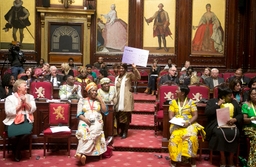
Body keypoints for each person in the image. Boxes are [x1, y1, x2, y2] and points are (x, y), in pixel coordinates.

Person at [205, 83, 243, 167]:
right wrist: (218, 105)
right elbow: (207, 113)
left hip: (231, 124)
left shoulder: (234, 102)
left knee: (235, 134)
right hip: (217, 124)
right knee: (219, 134)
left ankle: (230, 158)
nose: (232, 97)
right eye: (229, 96)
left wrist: (235, 119)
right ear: (223, 96)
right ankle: (222, 158)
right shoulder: (213, 101)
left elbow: (240, 115)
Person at [168, 85, 205, 167]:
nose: (175, 91)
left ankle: (191, 158)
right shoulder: (173, 102)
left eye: (177, 90)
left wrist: (188, 123)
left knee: (191, 137)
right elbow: (171, 116)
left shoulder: (191, 102)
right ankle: (174, 159)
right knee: (174, 138)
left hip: (189, 123)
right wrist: (177, 123)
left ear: (183, 93)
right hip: (176, 123)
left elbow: (195, 115)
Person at [3, 79, 36, 162]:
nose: (27, 87)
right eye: (25, 85)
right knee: (13, 137)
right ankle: (16, 151)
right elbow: (8, 112)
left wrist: (26, 102)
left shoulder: (30, 97)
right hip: (13, 119)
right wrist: (20, 105)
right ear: (18, 87)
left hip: (26, 119)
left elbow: (33, 109)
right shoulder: (9, 98)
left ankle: (16, 152)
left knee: (25, 134)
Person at [75, 82, 107, 165]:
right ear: (88, 92)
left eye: (96, 91)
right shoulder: (82, 100)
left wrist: (101, 100)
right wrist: (85, 120)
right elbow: (79, 114)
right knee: (82, 131)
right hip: (85, 119)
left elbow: (105, 111)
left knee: (94, 130)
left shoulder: (98, 100)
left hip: (97, 120)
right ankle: (83, 155)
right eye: (93, 90)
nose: (95, 92)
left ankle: (81, 153)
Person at [114, 63, 141, 139]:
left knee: (125, 115)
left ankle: (125, 132)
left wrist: (135, 68)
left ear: (125, 69)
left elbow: (138, 77)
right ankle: (121, 131)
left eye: (123, 68)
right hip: (118, 98)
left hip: (126, 98)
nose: (121, 70)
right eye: (120, 68)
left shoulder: (129, 75)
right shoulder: (117, 78)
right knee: (118, 116)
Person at [241, 88, 256, 167]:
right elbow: (244, 119)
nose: (255, 96)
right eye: (253, 94)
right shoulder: (246, 105)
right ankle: (252, 162)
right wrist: (252, 119)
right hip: (249, 128)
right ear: (250, 95)